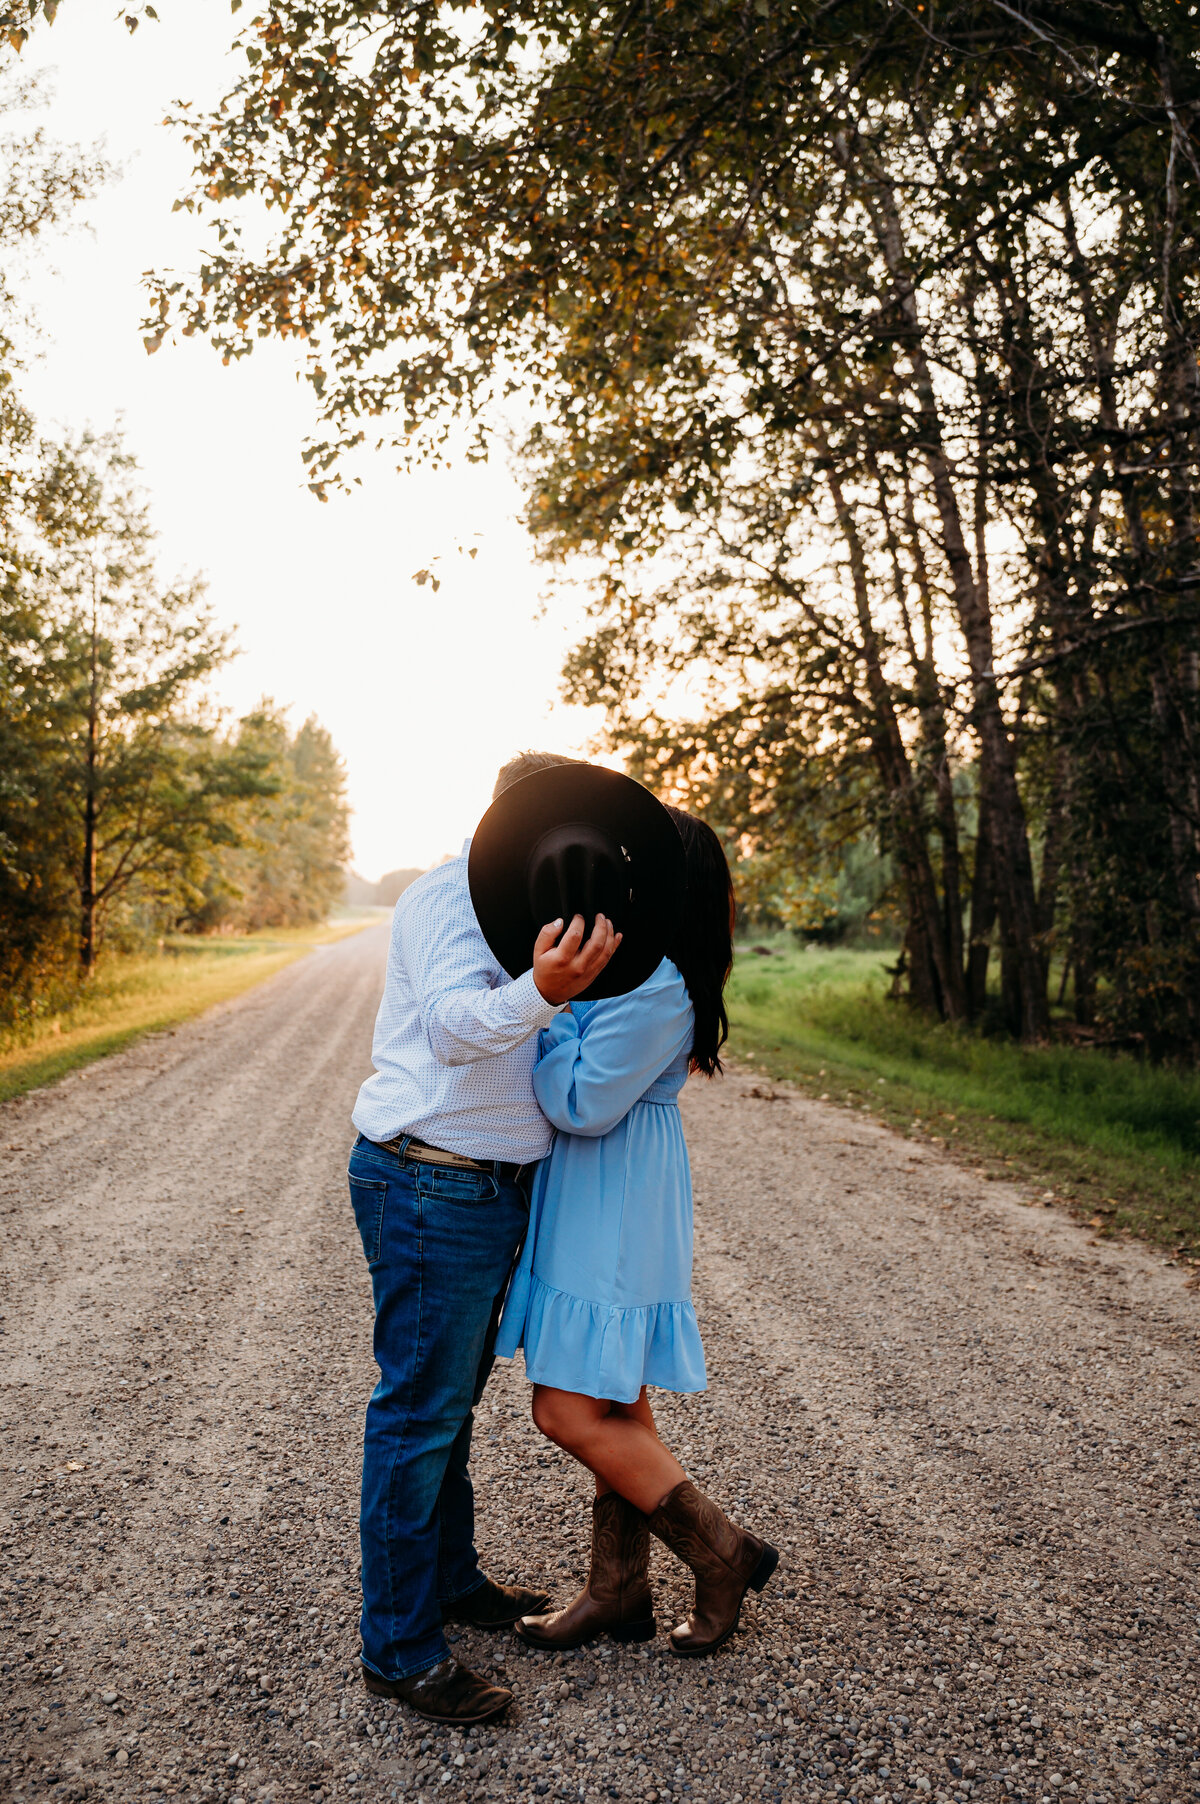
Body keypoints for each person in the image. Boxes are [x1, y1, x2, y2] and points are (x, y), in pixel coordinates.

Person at [347, 750, 621, 1726]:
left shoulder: (547, 904)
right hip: (428, 1179)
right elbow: (460, 1027)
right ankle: (399, 1649)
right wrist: (544, 990)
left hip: (490, 1190)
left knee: (450, 1404)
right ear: (510, 818)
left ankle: (451, 1582)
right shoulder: (443, 898)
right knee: (419, 1411)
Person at [495, 809, 779, 1656]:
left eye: (638, 867)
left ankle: (723, 1552)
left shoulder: (657, 986)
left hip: (613, 1194)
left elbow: (578, 1102)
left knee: (564, 1408)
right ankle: (616, 1589)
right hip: (605, 1185)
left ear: (668, 886)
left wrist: (554, 1009)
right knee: (617, 1397)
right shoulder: (644, 974)